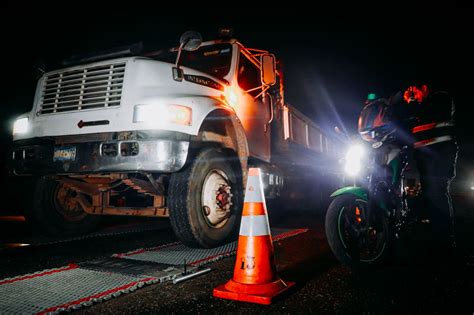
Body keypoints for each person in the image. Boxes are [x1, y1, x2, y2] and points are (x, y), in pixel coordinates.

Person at [389, 84, 458, 255]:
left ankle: (445, 241)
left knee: (436, 192)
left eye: (418, 88)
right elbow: (404, 120)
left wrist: (415, 102)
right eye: (411, 90)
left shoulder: (440, 96)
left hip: (441, 151)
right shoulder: (418, 107)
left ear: (427, 87)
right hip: (424, 154)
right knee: (427, 193)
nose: (414, 92)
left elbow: (431, 112)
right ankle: (432, 234)